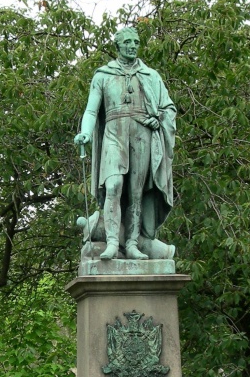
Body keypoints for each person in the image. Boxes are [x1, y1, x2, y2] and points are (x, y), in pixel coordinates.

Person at [74, 26, 176, 260]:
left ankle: (131, 243)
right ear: (117, 45)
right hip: (113, 134)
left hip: (142, 135)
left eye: (136, 42)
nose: (132, 45)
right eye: (127, 42)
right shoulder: (103, 75)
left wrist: (158, 118)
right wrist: (85, 133)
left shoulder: (151, 75)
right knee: (113, 186)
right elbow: (91, 110)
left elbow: (168, 108)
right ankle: (111, 242)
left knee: (136, 192)